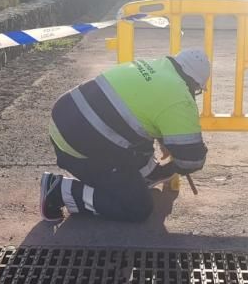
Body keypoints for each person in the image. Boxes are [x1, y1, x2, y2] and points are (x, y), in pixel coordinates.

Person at [39, 48, 211, 222]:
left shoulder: (152, 64)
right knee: (137, 207)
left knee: (138, 138)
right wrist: (173, 165)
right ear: (195, 84)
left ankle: (140, 176)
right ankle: (60, 190)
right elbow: (190, 161)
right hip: (79, 147)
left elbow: (138, 118)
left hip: (66, 118)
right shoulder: (180, 97)